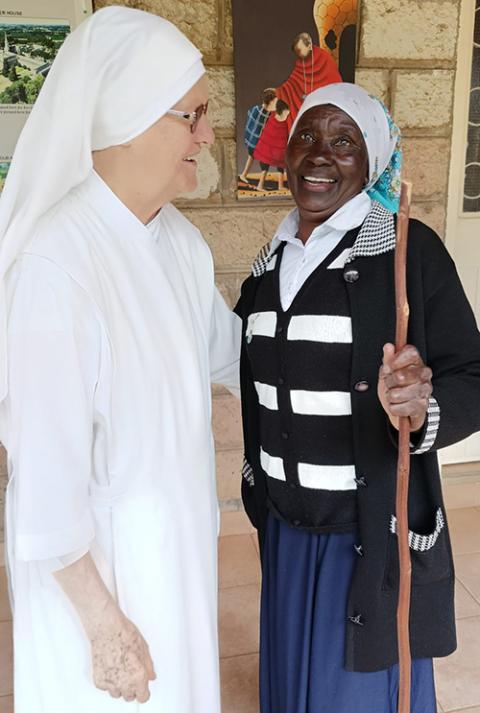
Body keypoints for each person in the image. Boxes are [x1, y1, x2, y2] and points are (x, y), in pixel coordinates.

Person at [0, 7, 241, 713]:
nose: (208, 134)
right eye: (193, 114)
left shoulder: (180, 246)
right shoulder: (58, 263)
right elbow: (44, 483)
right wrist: (105, 626)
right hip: (104, 594)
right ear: (132, 118)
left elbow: (234, 357)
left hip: (179, 563)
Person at [234, 83, 480, 713]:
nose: (320, 156)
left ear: (372, 160)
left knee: (358, 687)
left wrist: (420, 406)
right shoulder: (270, 263)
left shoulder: (406, 249)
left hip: (365, 530)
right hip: (287, 525)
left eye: (344, 142)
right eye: (307, 139)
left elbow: (472, 375)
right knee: (294, 683)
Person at [276, 32, 341, 132]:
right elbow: (292, 83)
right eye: (296, 51)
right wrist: (279, 92)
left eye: (299, 50)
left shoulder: (325, 58)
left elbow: (334, 87)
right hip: (304, 106)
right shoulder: (300, 62)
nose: (297, 54)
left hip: (322, 108)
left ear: (309, 45)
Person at [239, 87, 277, 184]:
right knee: (265, 162)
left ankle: (243, 175)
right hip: (259, 145)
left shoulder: (255, 109)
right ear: (271, 102)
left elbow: (249, 114)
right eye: (276, 102)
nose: (277, 105)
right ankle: (261, 185)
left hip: (251, 142)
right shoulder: (269, 115)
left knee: (251, 156)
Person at [253, 99, 290, 192]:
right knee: (265, 167)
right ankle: (260, 186)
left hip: (279, 150)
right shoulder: (273, 118)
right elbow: (269, 133)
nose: (288, 112)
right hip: (268, 148)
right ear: (282, 111)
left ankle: (280, 185)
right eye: (286, 110)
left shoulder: (281, 119)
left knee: (281, 165)